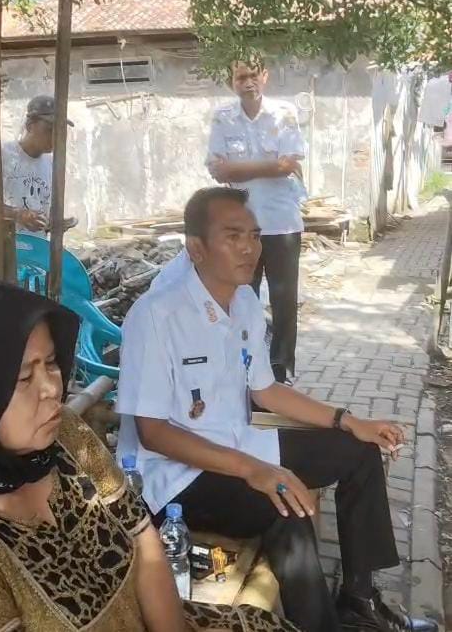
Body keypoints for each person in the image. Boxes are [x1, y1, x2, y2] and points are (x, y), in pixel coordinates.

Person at [116, 187, 438, 632]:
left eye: (254, 235)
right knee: (285, 506)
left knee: (358, 452)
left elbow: (266, 390)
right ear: (196, 248)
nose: (249, 248)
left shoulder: (245, 302)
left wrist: (348, 420)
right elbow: (152, 432)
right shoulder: (155, 315)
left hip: (240, 445)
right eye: (233, 236)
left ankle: (359, 601)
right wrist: (254, 470)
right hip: (174, 477)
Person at [0, 278, 301, 632]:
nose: (52, 387)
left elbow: (144, 542)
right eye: (24, 378)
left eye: (51, 363)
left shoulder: (66, 437)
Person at [207, 60, 307, 382]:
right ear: (232, 82)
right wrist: (270, 166)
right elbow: (217, 171)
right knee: (241, 297)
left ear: (265, 77)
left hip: (281, 224)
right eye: (241, 76)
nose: (248, 82)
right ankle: (243, 365)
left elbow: (287, 165)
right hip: (241, 229)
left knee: (283, 300)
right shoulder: (222, 118)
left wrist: (237, 169)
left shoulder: (284, 114)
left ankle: (281, 370)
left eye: (253, 75)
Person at [0, 95, 77, 237]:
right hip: (0, 244)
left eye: (60, 131)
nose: (55, 136)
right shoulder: (3, 155)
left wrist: (53, 224)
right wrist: (17, 214)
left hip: (33, 247)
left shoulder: (51, 164)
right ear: (29, 126)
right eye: (49, 129)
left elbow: (42, 208)